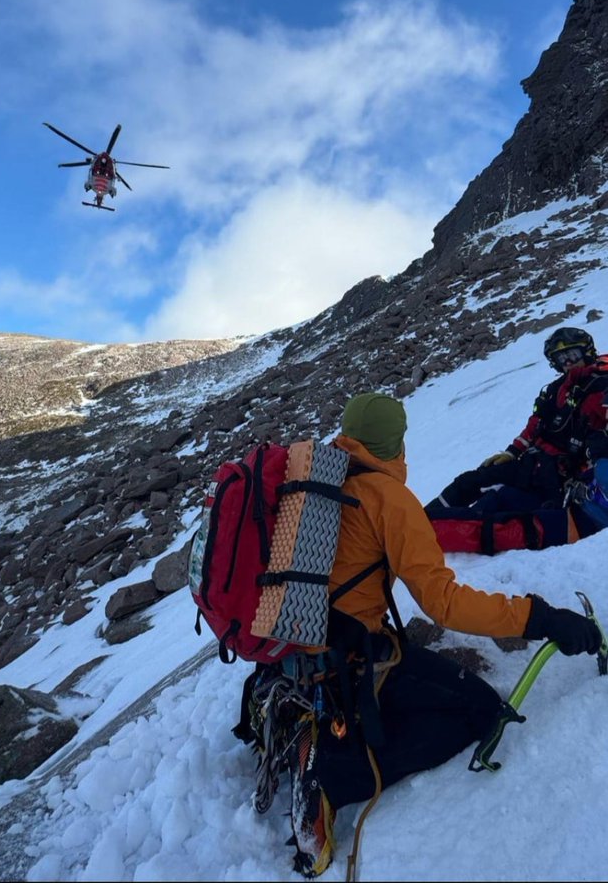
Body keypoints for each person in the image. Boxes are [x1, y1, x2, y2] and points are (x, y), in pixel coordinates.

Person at [245, 392, 601, 880]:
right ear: (395, 442)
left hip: (291, 647)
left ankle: (299, 715)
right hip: (346, 660)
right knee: (478, 709)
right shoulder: (389, 498)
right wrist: (537, 618)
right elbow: (444, 603)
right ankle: (332, 772)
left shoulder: (313, 477)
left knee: (412, 678)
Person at [424, 327, 608, 552]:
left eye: (572, 355)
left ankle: (417, 534)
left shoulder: (601, 386)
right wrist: (512, 452)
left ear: (587, 352)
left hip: (561, 478)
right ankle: (415, 521)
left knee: (492, 506)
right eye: (561, 358)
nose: (567, 362)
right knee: (468, 482)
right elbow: (535, 425)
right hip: (533, 464)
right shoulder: (555, 390)